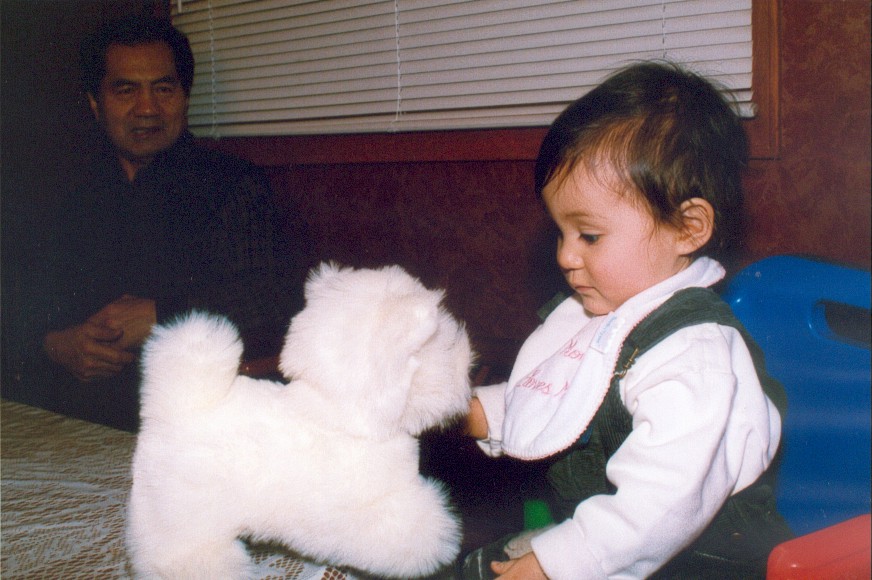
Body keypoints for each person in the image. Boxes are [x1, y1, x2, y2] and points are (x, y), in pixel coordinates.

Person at [459, 62, 792, 579]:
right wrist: (466, 410)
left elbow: (659, 505)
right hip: (616, 538)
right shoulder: (611, 308)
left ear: (688, 228)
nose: (566, 255)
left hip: (700, 560)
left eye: (589, 236)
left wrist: (555, 563)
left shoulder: (694, 355)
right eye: (560, 232)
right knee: (476, 565)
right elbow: (566, 390)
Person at [2, 15, 310, 432]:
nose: (147, 108)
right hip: (73, 413)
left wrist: (162, 314)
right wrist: (56, 345)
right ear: (95, 103)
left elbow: (274, 301)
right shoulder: (63, 193)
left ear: (184, 97)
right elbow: (18, 302)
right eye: (125, 90)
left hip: (191, 419)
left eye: (163, 89)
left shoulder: (233, 185)